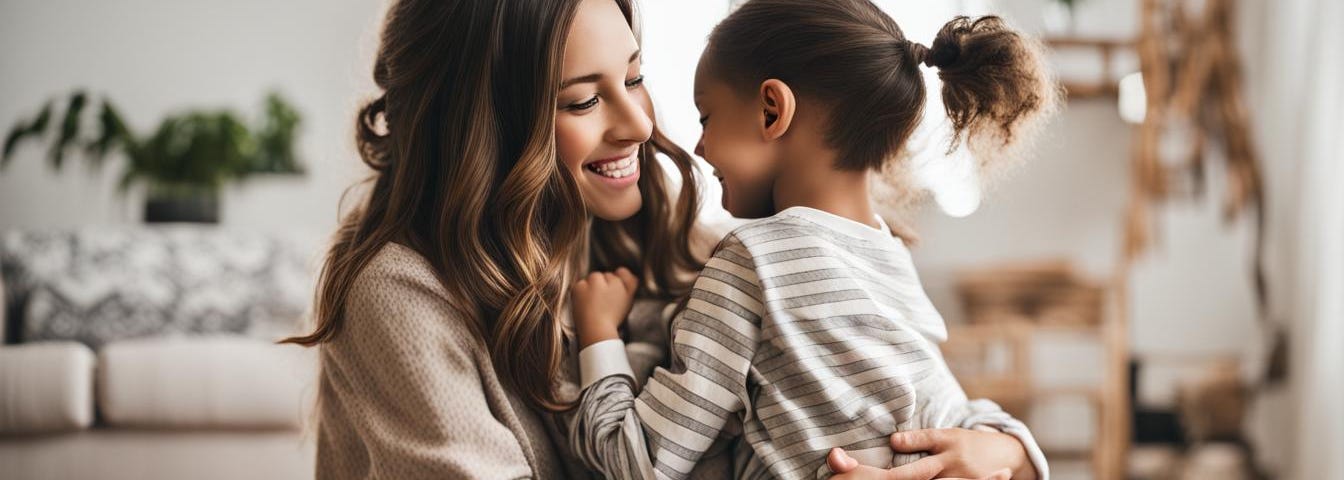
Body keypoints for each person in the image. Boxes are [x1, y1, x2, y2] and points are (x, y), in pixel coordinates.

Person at [568, 1, 1060, 479]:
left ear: (770, 110)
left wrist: (599, 336)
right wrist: (1012, 448)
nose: (699, 147)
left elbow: (638, 463)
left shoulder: (749, 262)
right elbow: (953, 413)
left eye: (706, 118)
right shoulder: (888, 258)